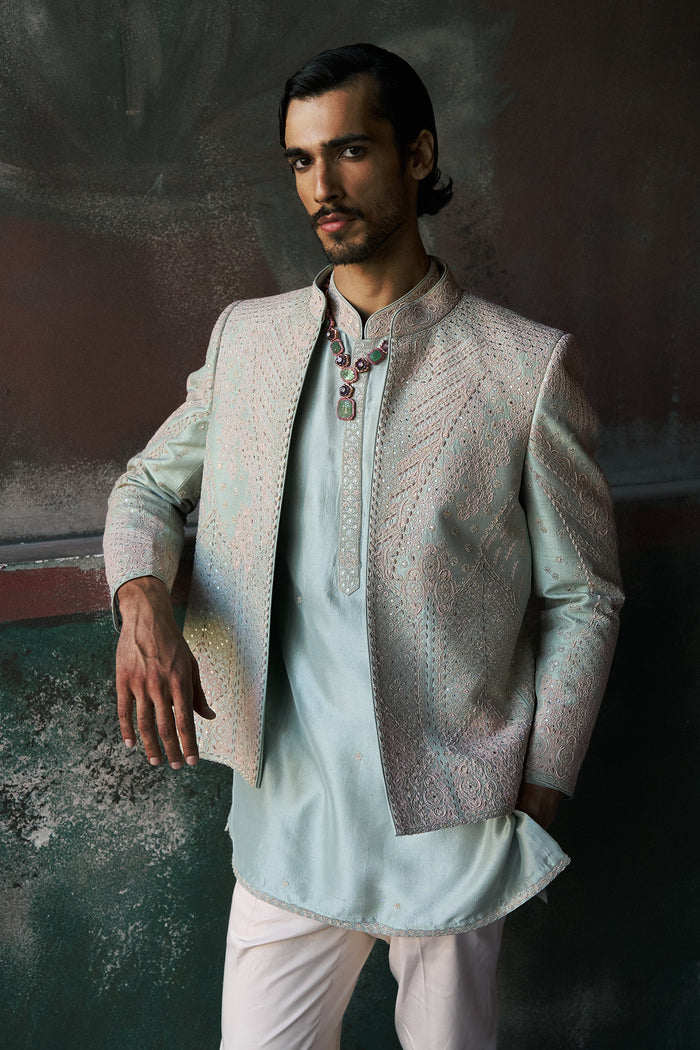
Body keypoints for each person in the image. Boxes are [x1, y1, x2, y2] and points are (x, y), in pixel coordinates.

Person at [104, 42, 623, 1050]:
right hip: (289, 827)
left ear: (417, 155)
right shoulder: (248, 341)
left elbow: (584, 597)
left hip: (454, 823)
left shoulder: (524, 368)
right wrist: (142, 602)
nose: (322, 187)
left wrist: (542, 791)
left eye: (349, 151)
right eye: (301, 160)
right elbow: (145, 488)